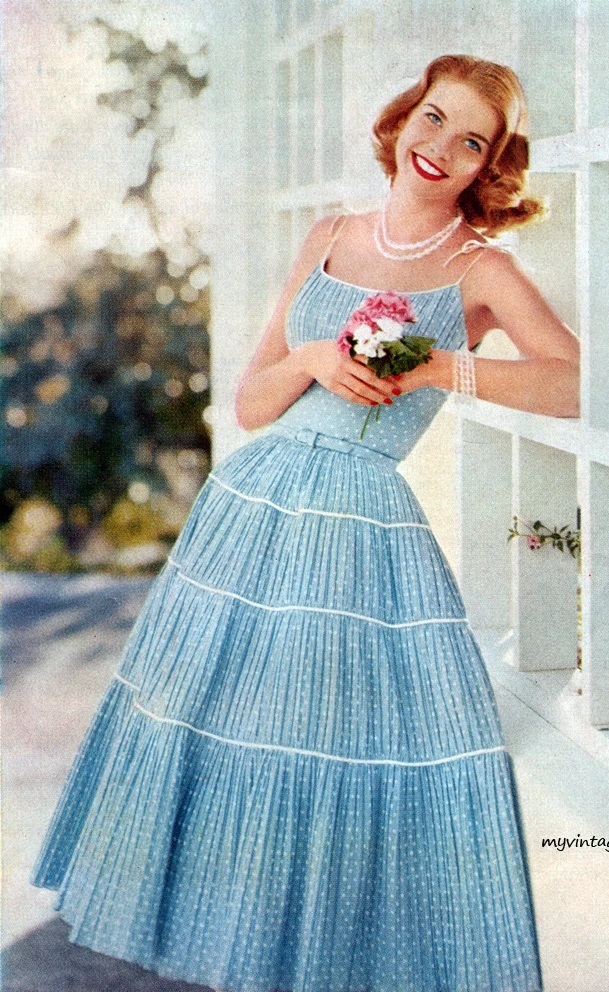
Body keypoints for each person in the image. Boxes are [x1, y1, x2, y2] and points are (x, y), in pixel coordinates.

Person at [31, 54, 579, 992]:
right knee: (225, 740)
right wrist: (315, 358)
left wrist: (439, 366)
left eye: (471, 141)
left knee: (316, 744)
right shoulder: (330, 233)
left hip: (358, 525)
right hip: (250, 512)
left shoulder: (482, 269)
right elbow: (253, 403)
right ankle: (231, 958)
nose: (441, 147)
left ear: (489, 166)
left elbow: (571, 382)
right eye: (433, 118)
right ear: (403, 118)